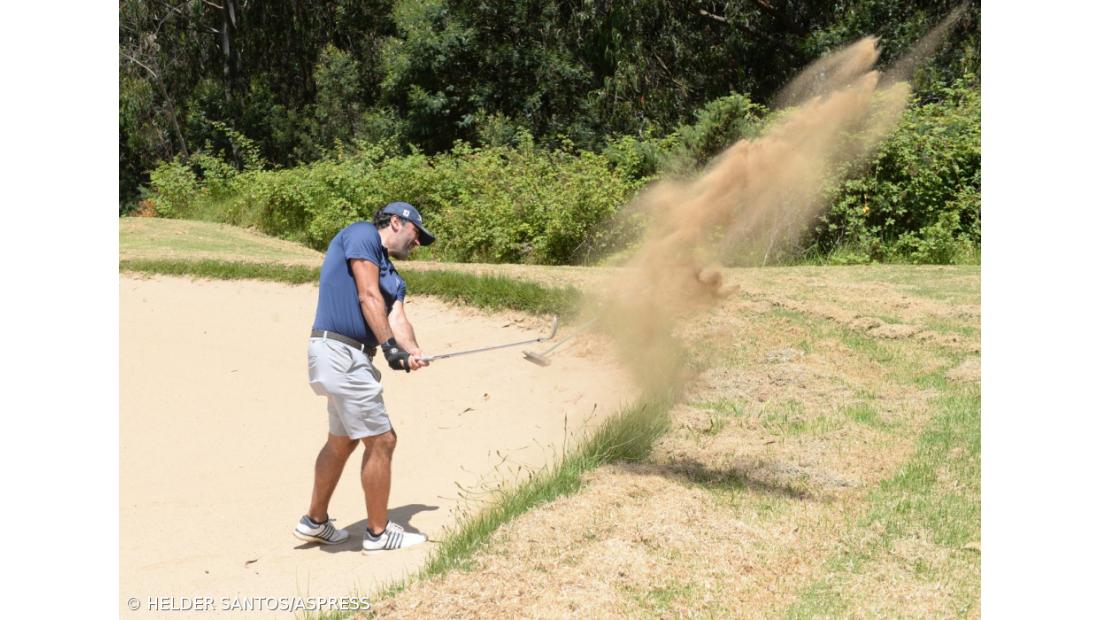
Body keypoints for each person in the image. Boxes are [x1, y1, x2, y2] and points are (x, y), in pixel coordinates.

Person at [293, 201, 436, 553]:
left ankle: (314, 521)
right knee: (382, 440)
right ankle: (378, 533)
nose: (418, 244)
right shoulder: (361, 235)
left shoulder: (395, 277)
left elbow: (397, 318)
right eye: (418, 234)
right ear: (397, 223)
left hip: (349, 358)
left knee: (343, 441)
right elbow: (366, 293)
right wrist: (389, 349)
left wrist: (412, 351)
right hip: (340, 352)